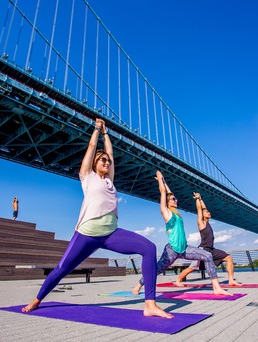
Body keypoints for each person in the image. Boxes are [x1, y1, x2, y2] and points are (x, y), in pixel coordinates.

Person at [22, 119, 173, 318]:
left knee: (149, 248)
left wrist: (107, 134)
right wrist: (96, 129)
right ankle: (37, 300)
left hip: (110, 232)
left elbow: (109, 153)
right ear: (94, 163)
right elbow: (93, 147)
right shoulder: (87, 177)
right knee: (62, 269)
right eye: (102, 161)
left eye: (108, 162)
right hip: (87, 233)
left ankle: (150, 305)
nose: (106, 162)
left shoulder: (109, 180)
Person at [132, 171, 232, 296]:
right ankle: (139, 285)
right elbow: (164, 193)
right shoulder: (166, 213)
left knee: (207, 256)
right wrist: (159, 180)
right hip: (172, 250)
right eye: (174, 199)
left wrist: (164, 181)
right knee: (157, 269)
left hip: (184, 249)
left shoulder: (176, 213)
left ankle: (216, 288)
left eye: (176, 199)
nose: (176, 200)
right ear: (167, 203)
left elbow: (169, 193)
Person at [174, 192, 242, 287]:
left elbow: (204, 208)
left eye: (208, 212)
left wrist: (201, 198)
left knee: (229, 258)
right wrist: (197, 199)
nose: (209, 212)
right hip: (202, 250)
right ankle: (178, 280)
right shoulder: (201, 223)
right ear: (202, 215)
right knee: (192, 267)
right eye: (206, 212)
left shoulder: (208, 222)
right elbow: (199, 209)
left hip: (211, 250)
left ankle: (231, 280)